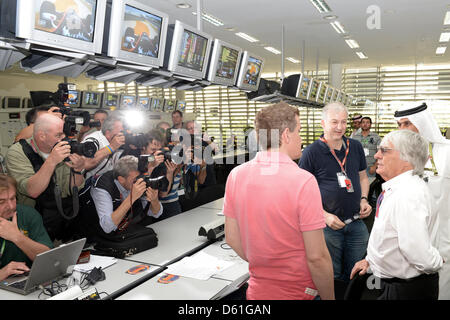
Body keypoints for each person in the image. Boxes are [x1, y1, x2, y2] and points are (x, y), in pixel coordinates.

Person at [223, 102, 334, 300]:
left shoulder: (236, 175)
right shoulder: (303, 181)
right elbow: (317, 257)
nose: (302, 139)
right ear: (285, 135)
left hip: (258, 291)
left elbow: (231, 238)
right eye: (299, 131)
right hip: (298, 292)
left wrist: (265, 265)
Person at [350, 130, 443, 300]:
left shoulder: (408, 195)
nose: (377, 155)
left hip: (406, 290)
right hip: (391, 284)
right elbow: (388, 235)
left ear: (407, 158)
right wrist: (371, 260)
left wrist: (435, 263)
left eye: (384, 150)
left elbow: (415, 251)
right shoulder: (398, 189)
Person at [299, 102, 371, 283]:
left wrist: (364, 199)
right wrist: (324, 216)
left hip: (357, 222)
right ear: (323, 123)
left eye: (344, 122)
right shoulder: (311, 152)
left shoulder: (354, 147)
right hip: (328, 227)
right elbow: (301, 194)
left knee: (356, 273)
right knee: (331, 274)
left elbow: (363, 177)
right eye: (334, 122)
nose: (340, 127)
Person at [394, 102, 450, 300]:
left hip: (443, 234)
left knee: (442, 286)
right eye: (399, 125)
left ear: (422, 123)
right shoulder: (400, 156)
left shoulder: (447, 152)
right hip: (413, 235)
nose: (402, 130)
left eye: (407, 124)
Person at [5, 113, 86, 241]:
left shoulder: (64, 149)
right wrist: (51, 161)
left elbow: (72, 189)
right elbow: (33, 191)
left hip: (61, 220)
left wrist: (77, 170)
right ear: (42, 136)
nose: (63, 138)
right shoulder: (17, 153)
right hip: (33, 224)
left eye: (64, 133)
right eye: (58, 135)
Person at [88, 156, 163, 237]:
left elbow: (156, 213)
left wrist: (154, 200)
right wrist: (132, 197)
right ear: (121, 179)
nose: (140, 180)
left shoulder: (138, 181)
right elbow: (107, 227)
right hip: (92, 236)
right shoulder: (102, 188)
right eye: (136, 179)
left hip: (124, 232)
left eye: (141, 176)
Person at [0, 174, 53, 281]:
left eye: (13, 198)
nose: (10, 206)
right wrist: (3, 273)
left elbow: (48, 260)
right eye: (1, 202)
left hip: (23, 281)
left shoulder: (28, 214)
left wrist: (17, 237)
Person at [81, 113, 125, 181]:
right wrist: (111, 147)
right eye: (121, 132)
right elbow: (85, 164)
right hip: (87, 186)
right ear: (108, 133)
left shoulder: (116, 141)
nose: (123, 135)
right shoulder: (93, 140)